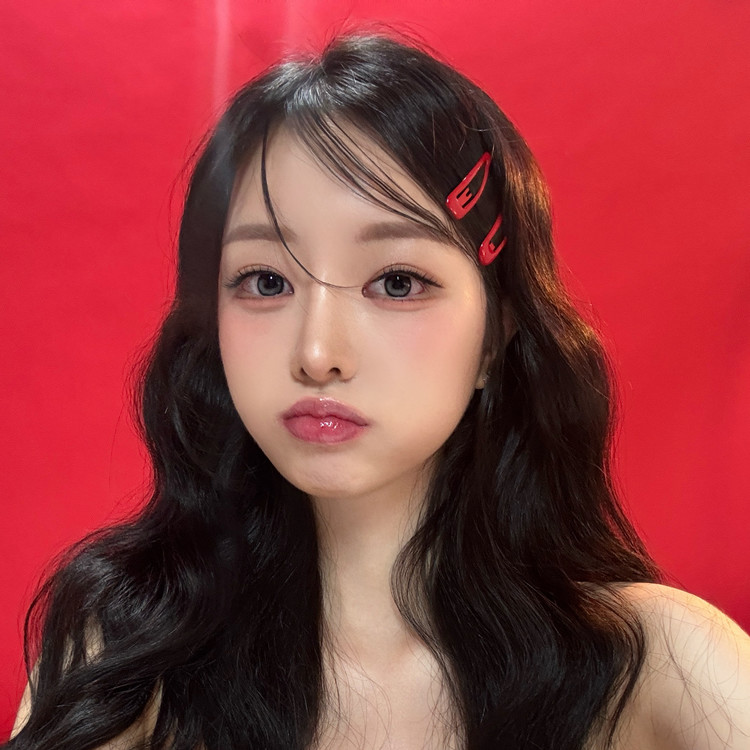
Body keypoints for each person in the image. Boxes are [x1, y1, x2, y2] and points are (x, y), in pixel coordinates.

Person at [6, 31, 750, 750]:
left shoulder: (651, 665)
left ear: (495, 339)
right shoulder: (121, 654)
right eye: (265, 281)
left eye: (397, 282)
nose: (317, 354)